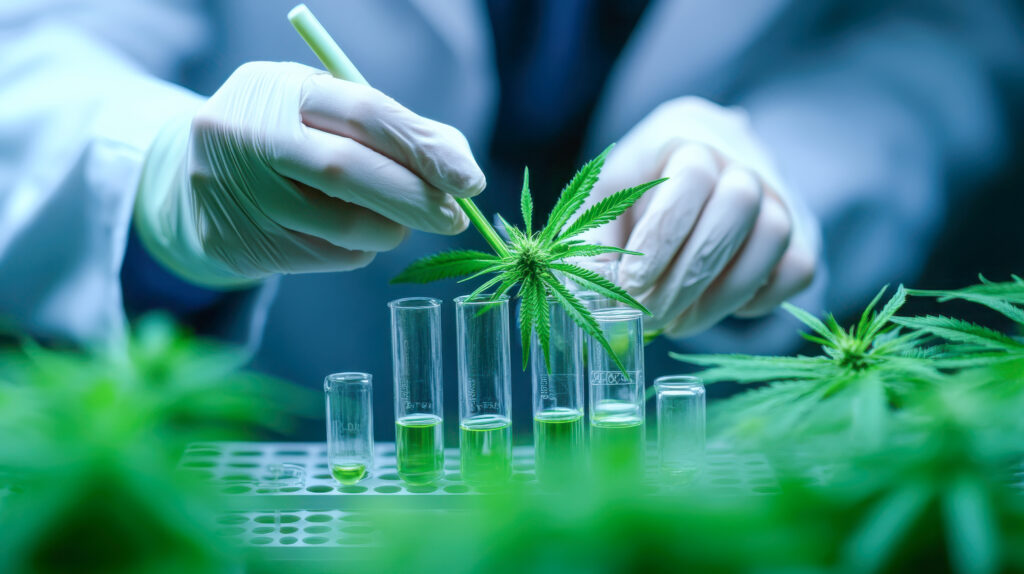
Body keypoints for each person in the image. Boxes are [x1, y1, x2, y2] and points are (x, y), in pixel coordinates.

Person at [1, 1, 1021, 431]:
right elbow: (34, 46)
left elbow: (941, 27)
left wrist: (792, 165)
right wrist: (158, 175)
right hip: (294, 438)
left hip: (697, 482)